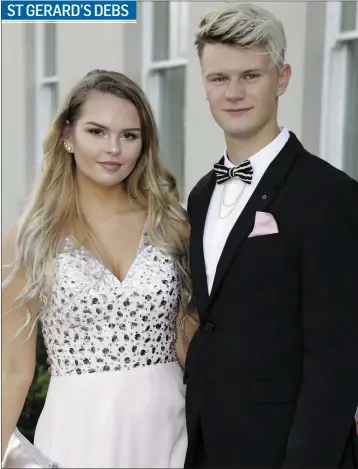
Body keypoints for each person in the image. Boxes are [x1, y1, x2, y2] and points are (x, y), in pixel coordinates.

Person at [184, 3, 358, 467]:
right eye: (219, 78)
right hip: (206, 443)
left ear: (282, 79)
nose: (234, 93)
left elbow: (336, 359)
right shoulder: (200, 196)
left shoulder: (329, 194)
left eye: (251, 76)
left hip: (284, 451)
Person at [2, 69, 198, 468]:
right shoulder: (27, 240)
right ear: (68, 136)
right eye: (97, 131)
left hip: (169, 428)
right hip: (77, 431)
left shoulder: (173, 226)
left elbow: (190, 345)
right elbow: (12, 371)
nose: (114, 148)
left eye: (129, 135)